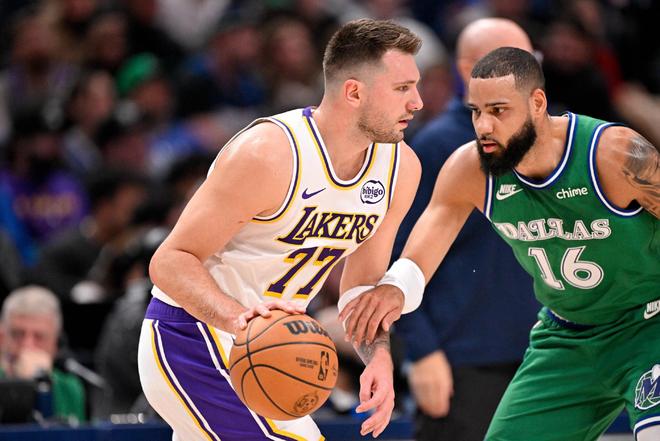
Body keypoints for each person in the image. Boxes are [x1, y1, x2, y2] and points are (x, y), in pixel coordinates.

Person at [341, 46, 660, 441]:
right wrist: (395, 289)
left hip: (647, 325)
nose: (484, 126)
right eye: (476, 111)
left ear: (537, 103)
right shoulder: (470, 168)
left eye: (498, 110)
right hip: (568, 335)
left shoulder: (613, 154)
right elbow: (424, 249)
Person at [138, 18, 424, 440]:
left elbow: (361, 287)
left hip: (271, 352)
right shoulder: (269, 153)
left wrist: (377, 355)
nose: (417, 102)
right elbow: (169, 261)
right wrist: (239, 320)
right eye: (402, 88)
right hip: (192, 336)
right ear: (354, 92)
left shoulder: (401, 169)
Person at [392, 18, 539, 441]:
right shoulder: (436, 146)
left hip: (546, 354)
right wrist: (421, 352)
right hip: (463, 363)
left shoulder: (554, 141)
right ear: (467, 70)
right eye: (508, 61)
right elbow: (397, 255)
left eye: (529, 60)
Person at [0, 285, 86, 422]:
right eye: (17, 334)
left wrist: (42, 384)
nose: (27, 345)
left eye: (39, 337)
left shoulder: (69, 388)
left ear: (55, 344)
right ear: (2, 337)